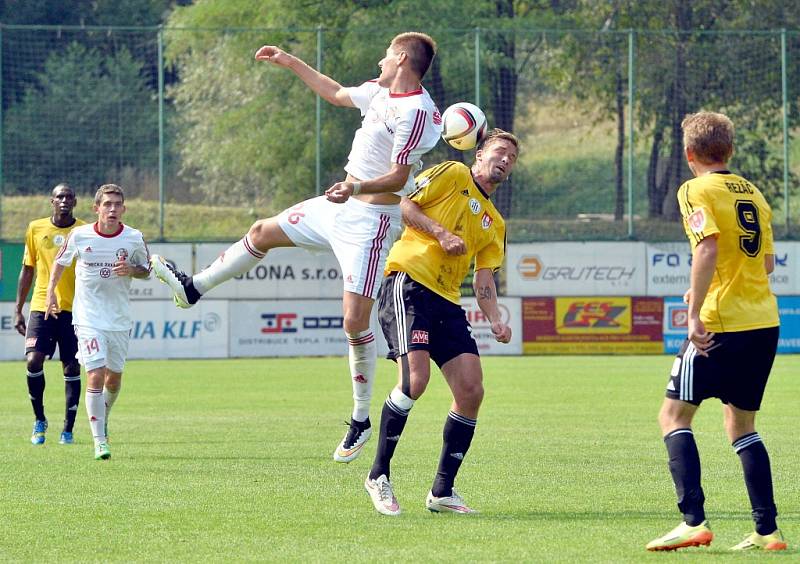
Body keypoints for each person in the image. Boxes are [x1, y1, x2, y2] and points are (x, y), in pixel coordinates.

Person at [150, 32, 442, 463]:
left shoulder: (416, 110)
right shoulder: (379, 92)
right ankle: (194, 288)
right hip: (337, 206)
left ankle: (361, 419)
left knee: (353, 321)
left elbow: (399, 179)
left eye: (385, 54)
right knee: (262, 231)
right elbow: (337, 92)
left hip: (370, 223)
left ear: (401, 58)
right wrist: (290, 61)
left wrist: (356, 185)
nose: (379, 61)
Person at [646, 112, 787, 551]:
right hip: (763, 323)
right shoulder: (754, 193)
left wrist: (694, 313)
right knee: (742, 426)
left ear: (690, 155)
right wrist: (703, 290)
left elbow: (706, 245)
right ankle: (768, 531)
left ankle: (693, 521)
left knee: (673, 417)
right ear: (729, 150)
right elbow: (764, 264)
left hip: (719, 325)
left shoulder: (695, 188)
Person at [363, 129, 518, 516]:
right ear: (479, 154)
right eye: (499, 152)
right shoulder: (452, 173)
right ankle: (378, 475)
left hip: (447, 301)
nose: (505, 161)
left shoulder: (495, 223)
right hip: (409, 283)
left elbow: (484, 282)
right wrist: (441, 233)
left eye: (512, 159)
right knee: (414, 381)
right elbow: (406, 207)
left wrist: (496, 319)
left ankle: (442, 491)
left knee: (471, 390)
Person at [45, 184, 150, 460]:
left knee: (113, 381)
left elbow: (147, 269)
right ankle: (99, 441)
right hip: (88, 318)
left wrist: (132, 269)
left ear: (124, 209)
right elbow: (59, 263)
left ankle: (103, 415)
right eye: (107, 204)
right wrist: (50, 294)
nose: (113, 209)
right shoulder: (79, 236)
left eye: (118, 204)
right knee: (96, 373)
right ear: (97, 208)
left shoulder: (134, 238)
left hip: (119, 319)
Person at [14, 183, 85, 445]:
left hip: (74, 308)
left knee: (71, 366)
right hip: (42, 306)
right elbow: (27, 269)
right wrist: (18, 309)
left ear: (75, 202)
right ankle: (39, 420)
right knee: (33, 360)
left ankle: (68, 428)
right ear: (51, 201)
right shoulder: (36, 228)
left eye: (68, 197)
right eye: (59, 197)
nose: (64, 200)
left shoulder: (85, 231)